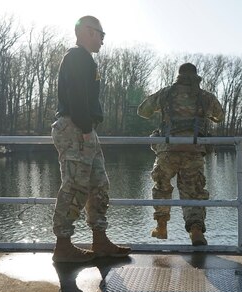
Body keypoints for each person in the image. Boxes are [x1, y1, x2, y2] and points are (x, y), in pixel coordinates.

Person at [51, 16, 131, 263]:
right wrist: (85, 128)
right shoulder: (77, 56)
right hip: (76, 128)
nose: (103, 41)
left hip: (85, 128)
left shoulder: (85, 59)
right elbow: (77, 95)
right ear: (87, 32)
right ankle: (63, 245)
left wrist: (89, 129)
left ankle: (100, 241)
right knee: (75, 184)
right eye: (101, 35)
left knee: (98, 184)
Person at [137, 63, 224, 246]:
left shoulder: (166, 93)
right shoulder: (204, 97)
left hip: (167, 151)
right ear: (196, 75)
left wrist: (162, 108)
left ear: (178, 75)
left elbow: (142, 111)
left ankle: (161, 226)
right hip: (193, 153)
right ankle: (196, 231)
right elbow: (219, 116)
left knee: (161, 187)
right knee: (194, 193)